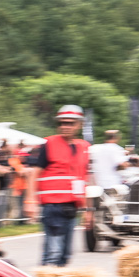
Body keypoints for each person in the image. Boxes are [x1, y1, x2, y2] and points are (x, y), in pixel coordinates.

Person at [26, 105, 90, 267]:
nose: (65, 127)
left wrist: (89, 210)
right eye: (61, 123)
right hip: (53, 206)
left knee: (65, 254)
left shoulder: (84, 147)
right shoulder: (48, 144)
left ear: (80, 124)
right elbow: (33, 173)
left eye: (69, 123)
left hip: (72, 206)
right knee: (53, 252)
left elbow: (86, 179)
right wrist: (30, 201)